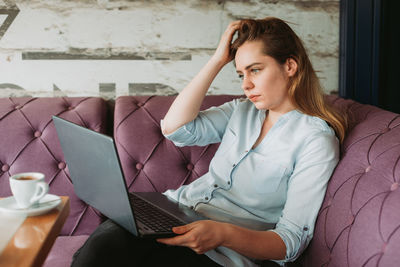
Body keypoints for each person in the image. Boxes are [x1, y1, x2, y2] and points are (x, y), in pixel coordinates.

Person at [71, 17, 347, 267]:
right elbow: (174, 129)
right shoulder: (241, 111)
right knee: (98, 253)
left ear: (289, 66)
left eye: (255, 70)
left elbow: (291, 241)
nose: (245, 85)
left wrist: (222, 234)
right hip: (175, 210)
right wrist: (217, 60)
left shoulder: (316, 141)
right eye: (241, 74)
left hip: (219, 251)